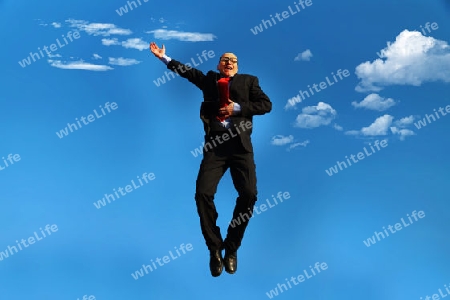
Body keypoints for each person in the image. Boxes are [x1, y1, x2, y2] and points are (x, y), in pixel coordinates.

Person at [149, 42, 272, 277]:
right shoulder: (210, 80)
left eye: (233, 60)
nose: (229, 62)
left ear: (237, 66)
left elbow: (266, 105)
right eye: (225, 59)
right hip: (215, 147)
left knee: (249, 194)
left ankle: (232, 248)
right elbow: (188, 72)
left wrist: (238, 109)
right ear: (218, 64)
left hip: (240, 148)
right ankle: (215, 249)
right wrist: (164, 58)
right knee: (203, 194)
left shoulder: (249, 82)